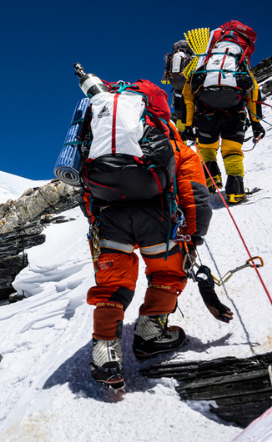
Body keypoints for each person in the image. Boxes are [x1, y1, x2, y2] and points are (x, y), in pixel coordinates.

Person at [76, 78, 212, 390]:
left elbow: (85, 189)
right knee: (166, 273)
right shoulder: (171, 140)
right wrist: (194, 236)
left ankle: (105, 354)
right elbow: (195, 196)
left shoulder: (96, 138)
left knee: (113, 286)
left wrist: (97, 219)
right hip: (158, 217)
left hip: (110, 216)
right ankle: (151, 334)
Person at [181, 20, 264, 203]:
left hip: (205, 114)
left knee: (206, 148)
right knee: (232, 150)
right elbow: (253, 91)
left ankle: (211, 181)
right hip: (234, 114)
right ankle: (235, 192)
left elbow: (188, 95)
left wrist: (187, 125)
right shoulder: (238, 63)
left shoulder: (204, 60)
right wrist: (256, 123)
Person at [162, 39, 194, 132]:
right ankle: (190, 131)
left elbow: (166, 72)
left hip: (175, 85)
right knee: (189, 107)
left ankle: (180, 132)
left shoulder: (171, 56)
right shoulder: (190, 55)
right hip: (187, 84)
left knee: (179, 110)